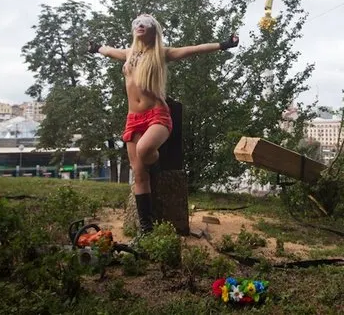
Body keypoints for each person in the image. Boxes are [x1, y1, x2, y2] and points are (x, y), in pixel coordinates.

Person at [88, 13, 239, 235]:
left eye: (145, 24)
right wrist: (95, 47)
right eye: (137, 23)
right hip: (133, 118)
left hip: (157, 115)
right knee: (139, 175)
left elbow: (194, 49)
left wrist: (224, 45)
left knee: (144, 150)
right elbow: (108, 51)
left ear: (154, 30)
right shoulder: (129, 54)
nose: (140, 25)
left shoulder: (161, 54)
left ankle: (155, 164)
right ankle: (146, 230)